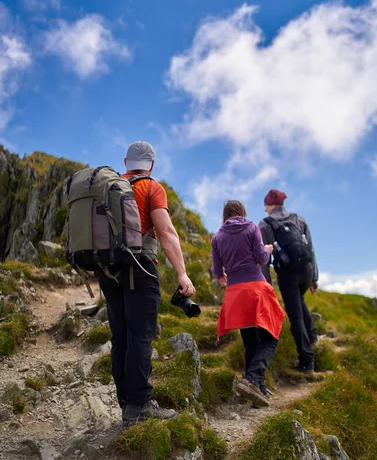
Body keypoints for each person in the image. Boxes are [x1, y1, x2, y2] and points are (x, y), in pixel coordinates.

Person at [97, 141, 196, 425]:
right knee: (140, 336)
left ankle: (127, 403)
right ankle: (139, 405)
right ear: (151, 165)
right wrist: (182, 274)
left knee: (121, 337)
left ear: (125, 161)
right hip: (140, 267)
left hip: (107, 270)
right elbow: (165, 232)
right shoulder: (151, 187)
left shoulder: (109, 186)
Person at [212, 200, 285, 406]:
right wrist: (269, 249)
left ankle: (256, 387)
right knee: (271, 337)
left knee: (250, 340)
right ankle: (252, 378)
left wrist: (221, 276)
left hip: (235, 293)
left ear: (225, 215)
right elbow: (261, 258)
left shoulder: (217, 236)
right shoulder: (252, 227)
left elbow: (217, 270)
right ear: (242, 212)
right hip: (256, 288)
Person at [258, 189, 319, 373]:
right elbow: (311, 247)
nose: (265, 209)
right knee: (299, 300)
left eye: (265, 206)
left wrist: (266, 283)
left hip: (288, 274)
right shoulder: (298, 219)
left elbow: (263, 258)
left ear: (269, 205)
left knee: (295, 316)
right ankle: (313, 336)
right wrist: (314, 277)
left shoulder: (264, 225)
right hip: (306, 269)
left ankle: (307, 361)